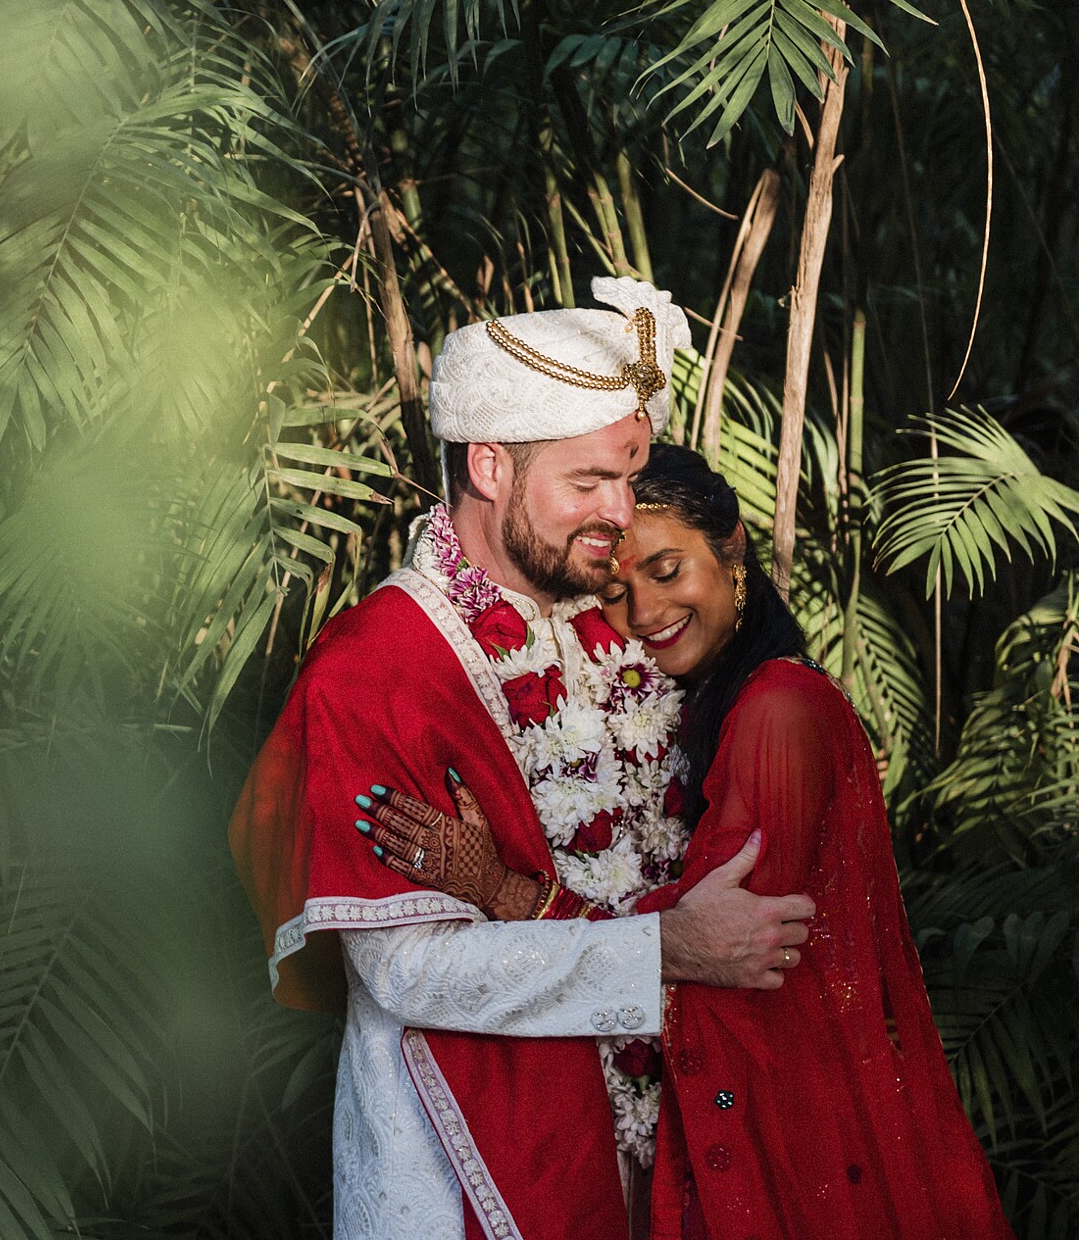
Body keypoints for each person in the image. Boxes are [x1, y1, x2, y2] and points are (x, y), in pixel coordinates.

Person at [228, 278, 815, 1240]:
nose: (619, 514)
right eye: (587, 484)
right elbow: (409, 974)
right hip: (462, 1170)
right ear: (491, 467)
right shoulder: (375, 670)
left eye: (627, 478)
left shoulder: (620, 620)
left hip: (676, 1160)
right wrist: (666, 951)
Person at [354, 444, 1014, 1240]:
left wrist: (499, 891)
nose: (645, 614)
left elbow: (723, 961)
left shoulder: (778, 712)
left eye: (668, 571)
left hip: (787, 1151)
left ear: (733, 548)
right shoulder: (725, 708)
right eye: (619, 590)